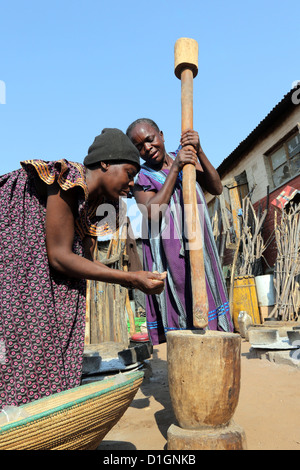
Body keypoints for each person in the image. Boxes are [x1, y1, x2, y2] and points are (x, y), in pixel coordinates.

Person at [0, 128, 166, 408]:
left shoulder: (95, 206)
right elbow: (60, 257)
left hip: (38, 271)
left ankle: (38, 414)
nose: (131, 183)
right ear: (105, 164)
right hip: (17, 257)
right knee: (25, 334)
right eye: (129, 172)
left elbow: (85, 265)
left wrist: (135, 279)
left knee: (50, 335)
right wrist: (130, 279)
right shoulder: (69, 178)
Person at [126, 118, 233, 345]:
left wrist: (199, 151)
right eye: (139, 147)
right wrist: (175, 168)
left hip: (200, 244)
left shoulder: (186, 157)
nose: (147, 148)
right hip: (169, 250)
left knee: (206, 289)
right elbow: (153, 213)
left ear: (162, 135)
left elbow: (216, 187)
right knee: (181, 292)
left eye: (150, 139)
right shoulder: (141, 180)